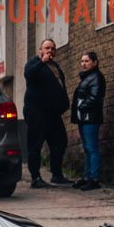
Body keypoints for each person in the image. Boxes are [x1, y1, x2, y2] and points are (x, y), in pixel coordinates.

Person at [23, 38, 72, 188]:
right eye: (47, 48)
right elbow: (29, 75)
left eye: (52, 48)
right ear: (40, 50)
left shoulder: (55, 66)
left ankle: (57, 174)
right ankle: (36, 178)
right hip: (37, 112)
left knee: (60, 141)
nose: (50, 51)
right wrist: (41, 62)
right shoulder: (33, 64)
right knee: (35, 144)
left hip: (53, 113)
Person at [71, 51, 105, 191]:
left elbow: (95, 97)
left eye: (87, 61)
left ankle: (94, 179)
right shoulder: (88, 77)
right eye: (82, 61)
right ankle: (87, 177)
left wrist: (81, 107)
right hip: (84, 118)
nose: (83, 64)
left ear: (95, 63)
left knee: (92, 148)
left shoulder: (96, 77)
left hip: (90, 118)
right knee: (87, 149)